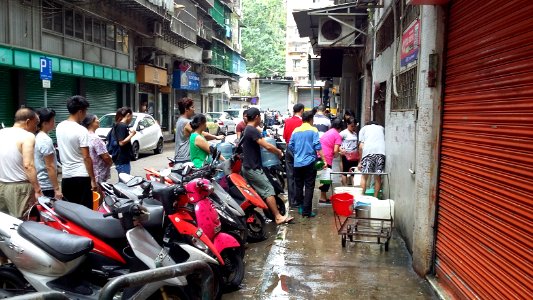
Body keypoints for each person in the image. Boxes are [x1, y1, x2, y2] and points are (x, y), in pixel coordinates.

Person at [241, 107, 293, 225]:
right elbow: (267, 146)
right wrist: (279, 152)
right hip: (252, 168)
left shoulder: (248, 129)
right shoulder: (252, 130)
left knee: (260, 191)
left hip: (250, 166)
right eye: (260, 117)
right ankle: (278, 217)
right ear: (257, 117)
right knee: (268, 190)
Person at [0, 108, 42, 217]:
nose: (36, 128)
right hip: (20, 188)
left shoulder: (2, 132)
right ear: (28, 122)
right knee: (21, 224)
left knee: (5, 224)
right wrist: (37, 189)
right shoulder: (28, 136)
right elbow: (28, 166)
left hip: (2, 185)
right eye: (36, 123)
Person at [56, 95, 96, 209]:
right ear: (80, 111)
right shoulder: (81, 130)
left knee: (71, 211)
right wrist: (93, 179)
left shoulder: (60, 126)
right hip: (81, 176)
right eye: (85, 111)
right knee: (86, 211)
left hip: (66, 176)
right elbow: (86, 157)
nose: (85, 114)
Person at [289, 111, 327, 218]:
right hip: (309, 162)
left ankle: (301, 208)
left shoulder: (295, 131)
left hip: (297, 163)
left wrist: (297, 153)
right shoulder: (313, 130)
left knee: (299, 186)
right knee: (309, 186)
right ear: (310, 119)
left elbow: (290, 145)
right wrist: (324, 159)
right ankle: (307, 212)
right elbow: (317, 146)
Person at [174, 98, 222, 163]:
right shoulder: (186, 122)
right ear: (186, 109)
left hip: (180, 156)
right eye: (192, 107)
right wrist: (216, 137)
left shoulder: (180, 120)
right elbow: (199, 133)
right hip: (185, 158)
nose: (194, 109)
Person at [82, 114, 112, 199]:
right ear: (91, 123)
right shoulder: (95, 138)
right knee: (99, 198)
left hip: (87, 172)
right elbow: (105, 157)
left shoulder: (84, 136)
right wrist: (111, 162)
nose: (98, 121)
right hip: (97, 174)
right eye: (97, 120)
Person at [34, 108, 62, 199]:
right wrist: (57, 189)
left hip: (41, 183)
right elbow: (50, 166)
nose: (54, 122)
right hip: (47, 185)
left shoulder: (37, 137)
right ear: (44, 123)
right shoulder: (45, 140)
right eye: (53, 120)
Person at [282, 103, 304, 208]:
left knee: (290, 176)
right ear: (302, 110)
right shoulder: (302, 122)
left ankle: (292, 201)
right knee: (300, 176)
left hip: (289, 150)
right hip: (299, 151)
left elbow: (285, 136)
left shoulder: (287, 121)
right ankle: (299, 199)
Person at [318, 118, 343, 202]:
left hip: (319, 155)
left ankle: (323, 196)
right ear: (340, 127)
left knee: (323, 177)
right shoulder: (337, 135)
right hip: (326, 157)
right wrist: (337, 155)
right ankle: (322, 197)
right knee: (326, 178)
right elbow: (336, 150)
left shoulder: (328, 132)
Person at [358, 121, 386, 198]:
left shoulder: (364, 128)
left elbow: (361, 146)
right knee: (378, 176)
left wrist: (360, 162)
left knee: (364, 176)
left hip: (368, 153)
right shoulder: (381, 128)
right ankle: (375, 198)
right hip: (381, 153)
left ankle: (361, 196)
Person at [114, 107, 136, 175]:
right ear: (128, 115)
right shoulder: (121, 126)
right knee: (125, 183)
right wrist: (132, 134)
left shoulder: (122, 125)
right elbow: (121, 142)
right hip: (122, 160)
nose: (131, 118)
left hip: (123, 160)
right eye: (131, 116)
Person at [340, 117, 360, 186]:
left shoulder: (355, 133)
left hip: (354, 155)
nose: (353, 127)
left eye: (354, 126)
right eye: (351, 126)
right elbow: (337, 142)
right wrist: (341, 149)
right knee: (345, 172)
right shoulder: (343, 133)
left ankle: (353, 187)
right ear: (347, 124)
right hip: (346, 155)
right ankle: (344, 186)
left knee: (353, 172)